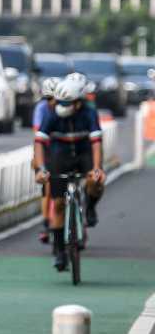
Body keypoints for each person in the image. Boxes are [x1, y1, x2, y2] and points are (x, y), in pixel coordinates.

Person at [34, 75, 106, 271]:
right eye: (60, 102)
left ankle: (90, 207)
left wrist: (97, 168)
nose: (61, 106)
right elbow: (39, 142)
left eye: (67, 103)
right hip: (60, 156)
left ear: (77, 103)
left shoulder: (89, 114)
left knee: (96, 180)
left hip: (84, 154)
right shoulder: (51, 114)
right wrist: (41, 169)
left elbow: (97, 142)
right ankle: (59, 252)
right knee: (57, 204)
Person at [33, 77, 61, 244]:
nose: (53, 103)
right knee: (48, 186)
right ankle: (45, 223)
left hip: (65, 149)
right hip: (48, 149)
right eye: (49, 99)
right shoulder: (41, 109)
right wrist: (36, 158)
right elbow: (37, 136)